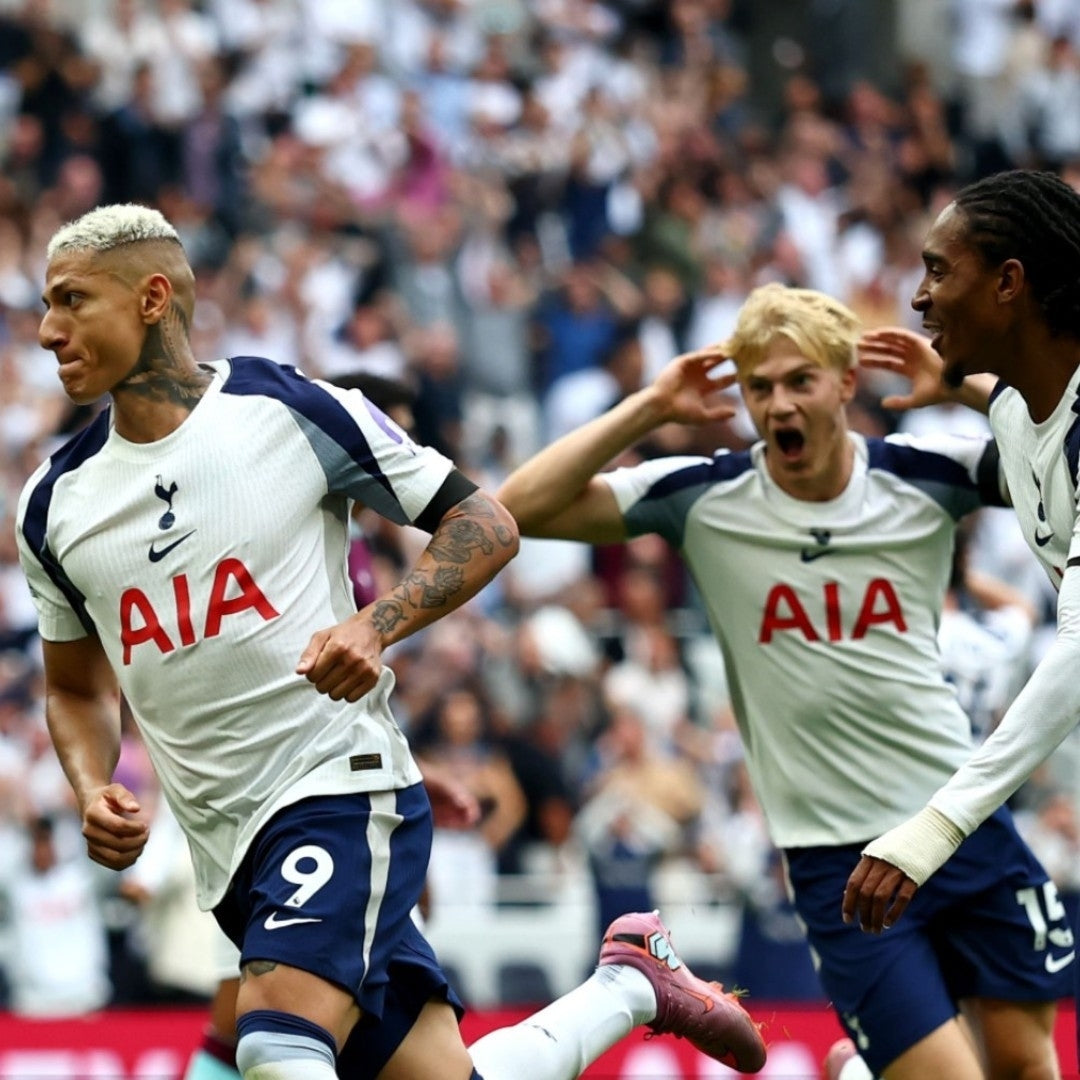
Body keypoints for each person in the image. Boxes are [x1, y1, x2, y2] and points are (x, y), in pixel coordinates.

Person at [14, 203, 766, 1080]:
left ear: (150, 299)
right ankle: (630, 985)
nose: (44, 330)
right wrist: (91, 782)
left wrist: (379, 623)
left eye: (70, 301)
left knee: (272, 1045)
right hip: (227, 854)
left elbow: (483, 521)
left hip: (335, 788)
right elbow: (73, 687)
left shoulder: (288, 410)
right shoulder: (53, 501)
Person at [496, 281, 1072, 1079]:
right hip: (838, 860)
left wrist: (966, 387)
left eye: (800, 381)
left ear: (845, 382)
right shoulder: (703, 495)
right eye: (759, 387)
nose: (778, 405)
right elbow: (512, 510)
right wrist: (649, 407)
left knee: (1027, 1067)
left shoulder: (927, 473)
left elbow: (1057, 457)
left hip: (958, 824)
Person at [842, 171, 1080, 954]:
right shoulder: (1016, 412)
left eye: (939, 269)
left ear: (1009, 281)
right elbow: (1034, 417)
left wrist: (937, 824)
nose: (917, 297)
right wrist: (961, 388)